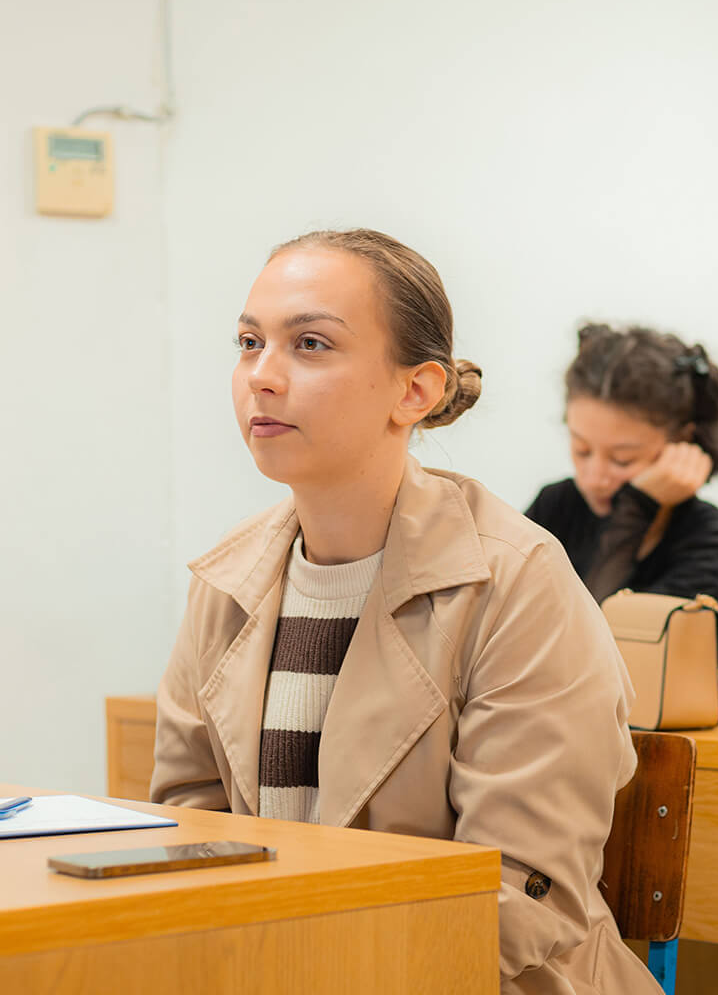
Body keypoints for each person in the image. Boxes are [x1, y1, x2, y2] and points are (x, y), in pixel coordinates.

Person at [149, 229, 658, 995]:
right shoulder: (228, 580)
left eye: (311, 344)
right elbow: (193, 829)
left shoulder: (517, 580)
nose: (262, 376)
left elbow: (515, 897)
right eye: (250, 342)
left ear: (415, 390)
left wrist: (303, 968)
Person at [525, 323, 718, 626]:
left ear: (681, 443)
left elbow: (599, 642)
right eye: (582, 450)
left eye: (622, 460)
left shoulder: (715, 544)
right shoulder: (556, 506)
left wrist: (637, 507)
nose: (594, 479)